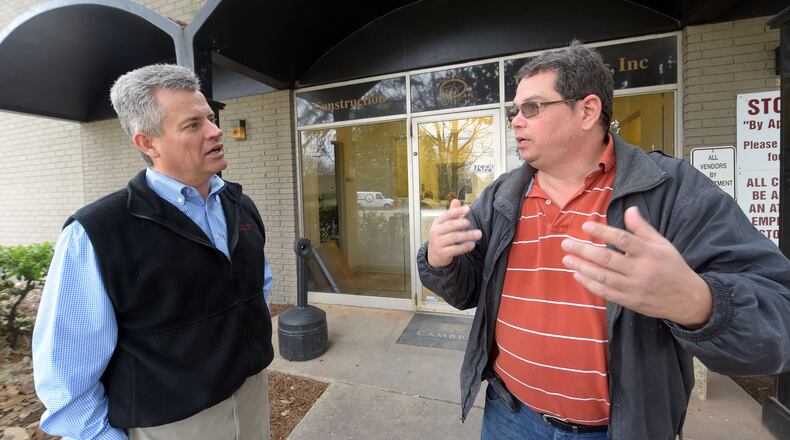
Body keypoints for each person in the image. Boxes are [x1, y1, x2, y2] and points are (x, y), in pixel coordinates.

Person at [417, 41, 790, 440]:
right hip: (509, 416)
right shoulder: (502, 196)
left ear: (588, 111)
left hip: (617, 431)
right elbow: (468, 289)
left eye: (532, 108)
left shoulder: (671, 193)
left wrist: (697, 302)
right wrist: (441, 261)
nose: (515, 122)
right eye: (514, 111)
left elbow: (778, 317)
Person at [33, 64, 274, 439]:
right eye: (193, 125)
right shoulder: (96, 233)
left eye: (210, 118)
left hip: (251, 398)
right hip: (172, 425)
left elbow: (256, 287)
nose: (215, 131)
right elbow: (66, 369)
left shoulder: (239, 205)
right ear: (148, 143)